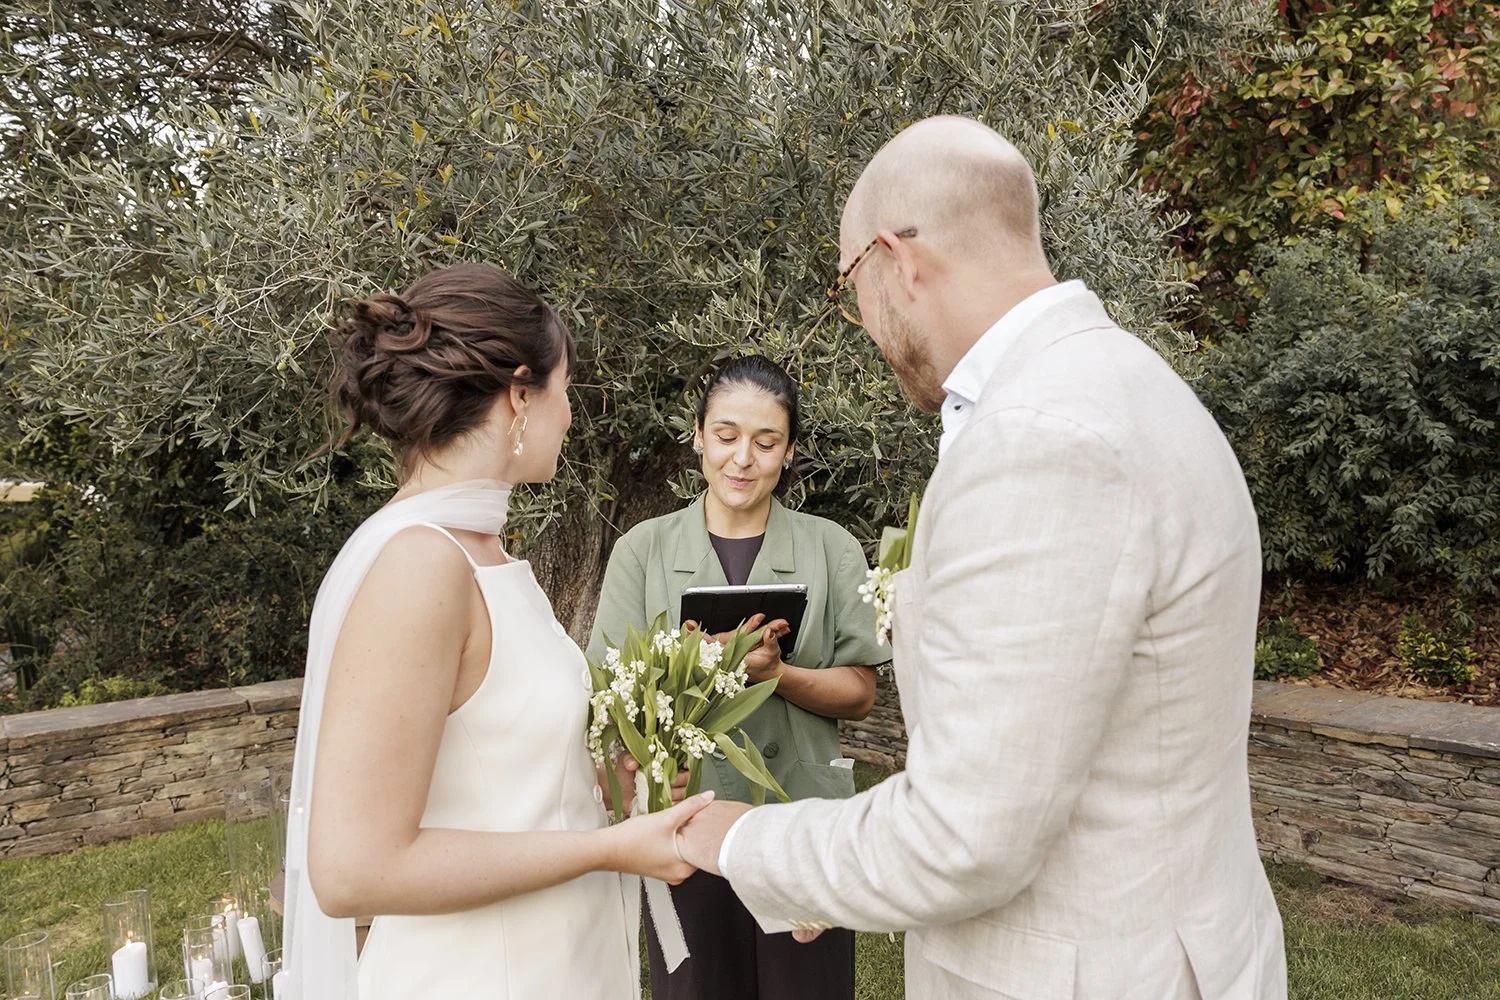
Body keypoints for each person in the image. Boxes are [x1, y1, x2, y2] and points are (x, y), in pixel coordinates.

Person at [677, 117, 1289, 999]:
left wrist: (736, 840)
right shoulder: (1133, 383)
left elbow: (964, 838)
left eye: (851, 283)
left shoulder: (1040, 439)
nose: (860, 319)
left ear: (898, 259)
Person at [280, 262, 714, 1000]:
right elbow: (354, 869)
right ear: (519, 395)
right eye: (565, 389)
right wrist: (608, 849)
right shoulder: (419, 565)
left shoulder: (489, 554)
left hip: (560, 962)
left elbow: (503, 784)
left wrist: (616, 790)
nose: (571, 417)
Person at [588, 354, 887, 1000]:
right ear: (698, 436)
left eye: (765, 441)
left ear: (788, 451)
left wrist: (776, 675)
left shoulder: (830, 548)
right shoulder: (643, 550)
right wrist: (705, 668)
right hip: (685, 823)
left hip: (803, 824)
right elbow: (608, 695)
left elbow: (860, 692)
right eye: (725, 437)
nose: (742, 459)